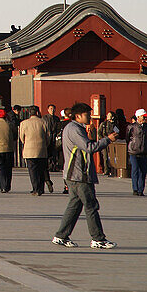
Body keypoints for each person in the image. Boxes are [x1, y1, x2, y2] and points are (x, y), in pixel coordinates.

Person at [52, 102, 118, 249]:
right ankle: (98, 238)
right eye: (87, 115)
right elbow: (89, 147)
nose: (89, 117)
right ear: (78, 116)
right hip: (79, 174)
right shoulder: (74, 129)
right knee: (91, 206)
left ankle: (61, 235)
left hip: (74, 174)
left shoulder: (73, 128)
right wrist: (107, 139)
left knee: (75, 205)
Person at [19, 108, 51, 195]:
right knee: (41, 169)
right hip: (41, 149)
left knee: (32, 170)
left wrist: (26, 143)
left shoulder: (24, 123)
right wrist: (45, 144)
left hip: (29, 150)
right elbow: (48, 136)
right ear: (37, 113)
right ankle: (41, 188)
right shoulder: (43, 122)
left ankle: (35, 188)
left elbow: (22, 137)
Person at [126, 109, 147, 196]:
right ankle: (135, 189)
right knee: (135, 170)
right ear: (138, 117)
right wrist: (130, 147)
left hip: (144, 151)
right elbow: (127, 138)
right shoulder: (131, 127)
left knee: (143, 171)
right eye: (143, 117)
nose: (145, 118)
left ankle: (141, 190)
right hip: (134, 151)